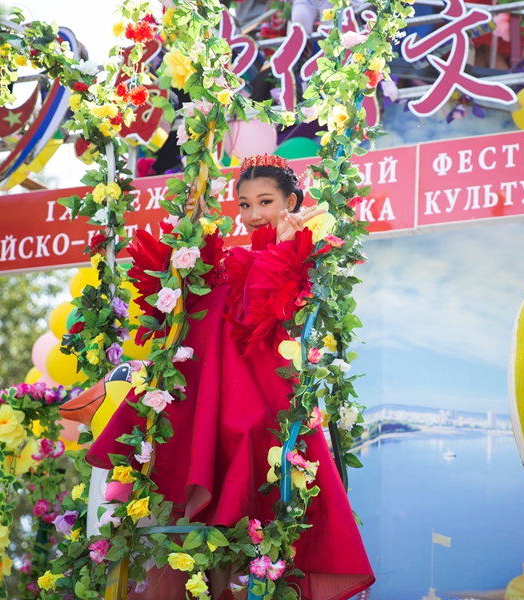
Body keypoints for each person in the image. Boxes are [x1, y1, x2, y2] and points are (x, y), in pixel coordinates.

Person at [84, 154, 375, 599]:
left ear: (291, 200)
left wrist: (286, 249)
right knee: (212, 514)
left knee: (261, 512)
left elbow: (276, 317)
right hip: (216, 398)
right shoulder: (233, 260)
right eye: (244, 204)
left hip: (266, 399)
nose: (254, 214)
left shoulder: (308, 253)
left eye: (265, 201)